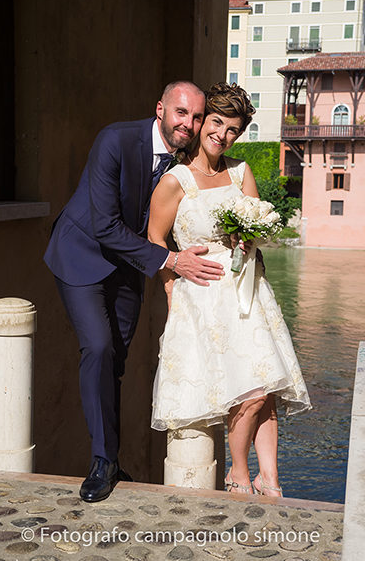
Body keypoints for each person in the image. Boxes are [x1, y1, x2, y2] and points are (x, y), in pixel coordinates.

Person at [44, 81, 225, 503]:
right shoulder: (115, 140)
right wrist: (172, 261)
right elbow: (106, 225)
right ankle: (103, 462)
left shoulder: (185, 157)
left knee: (117, 362)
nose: (190, 124)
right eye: (182, 113)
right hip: (82, 255)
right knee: (99, 347)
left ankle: (112, 457)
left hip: (128, 265)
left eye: (197, 117)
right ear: (160, 109)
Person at [148, 82, 311, 496]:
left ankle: (270, 478)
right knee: (247, 391)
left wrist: (248, 239)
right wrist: (171, 296)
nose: (222, 135)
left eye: (233, 129)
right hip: (201, 297)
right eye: (216, 123)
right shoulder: (175, 181)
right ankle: (238, 471)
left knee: (266, 386)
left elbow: (255, 224)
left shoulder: (241, 172)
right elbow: (155, 239)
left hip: (247, 291)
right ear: (202, 123)